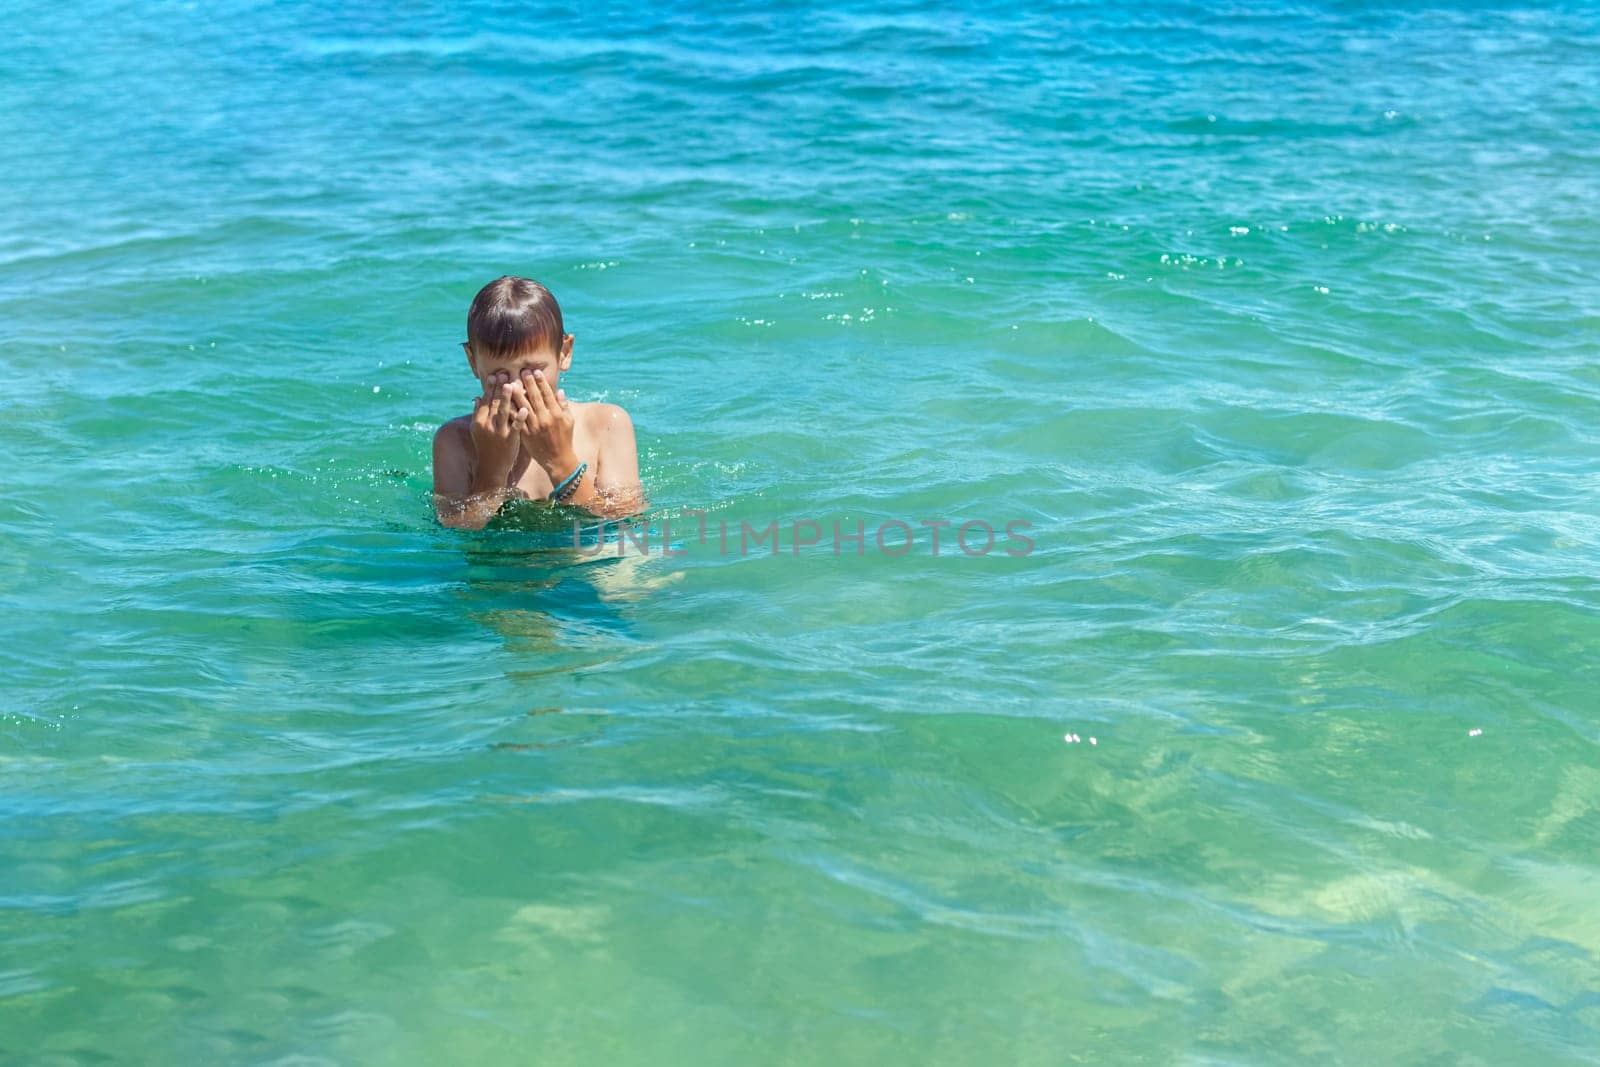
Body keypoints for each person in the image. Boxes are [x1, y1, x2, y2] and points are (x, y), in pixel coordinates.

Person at [432, 276, 644, 529]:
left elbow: (626, 525)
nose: (516, 387)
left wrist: (560, 461)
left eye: (531, 371)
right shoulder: (455, 441)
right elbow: (457, 534)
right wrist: (492, 470)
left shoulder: (606, 425)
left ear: (564, 353)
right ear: (472, 361)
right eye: (499, 374)